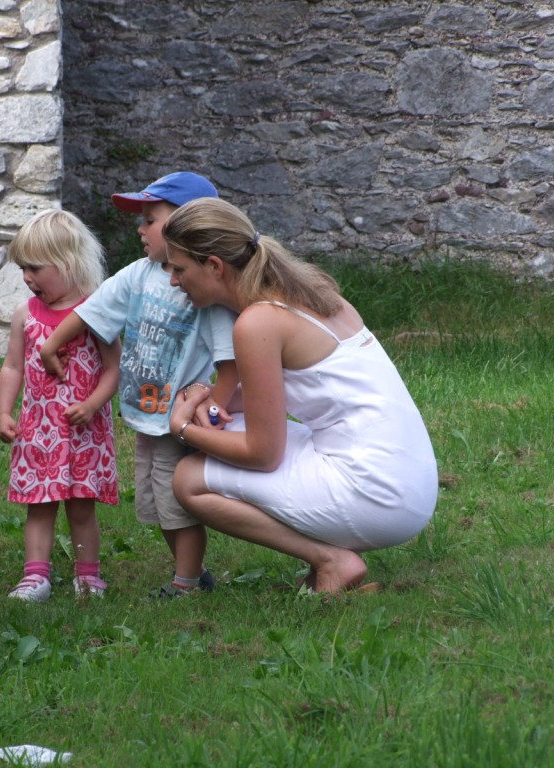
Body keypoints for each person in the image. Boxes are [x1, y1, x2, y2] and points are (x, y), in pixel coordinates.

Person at [162, 198, 438, 595]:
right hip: (409, 478)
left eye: (179, 268)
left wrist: (184, 428)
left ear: (214, 266)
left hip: (378, 494)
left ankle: (331, 561)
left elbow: (263, 453)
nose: (173, 279)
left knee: (189, 479)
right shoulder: (310, 292)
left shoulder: (257, 322)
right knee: (226, 427)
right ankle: (332, 556)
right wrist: (209, 397)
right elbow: (274, 395)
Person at [39, 173, 238, 598]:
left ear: (189, 225)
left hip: (178, 422)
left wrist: (214, 411)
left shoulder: (204, 289)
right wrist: (52, 343)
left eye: (150, 219)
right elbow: (94, 309)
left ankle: (185, 583)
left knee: (177, 508)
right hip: (147, 418)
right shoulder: (140, 274)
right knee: (156, 506)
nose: (140, 228)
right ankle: (194, 573)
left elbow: (230, 363)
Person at [0, 209, 122, 602]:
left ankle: (88, 576)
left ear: (68, 263)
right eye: (23, 269)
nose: (26, 278)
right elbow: (12, 366)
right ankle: (35, 577)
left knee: (82, 508)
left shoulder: (94, 313)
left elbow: (114, 369)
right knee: (40, 506)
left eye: (34, 268)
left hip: (83, 432)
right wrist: (4, 411)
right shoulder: (24, 316)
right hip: (38, 430)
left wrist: (93, 404)